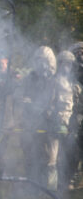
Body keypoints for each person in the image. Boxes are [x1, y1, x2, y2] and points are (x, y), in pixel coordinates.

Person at [20, 46, 59, 192]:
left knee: (50, 163)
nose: (42, 65)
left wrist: (39, 108)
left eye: (45, 61)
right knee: (31, 160)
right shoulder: (29, 79)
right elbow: (21, 99)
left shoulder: (55, 81)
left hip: (50, 128)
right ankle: (32, 190)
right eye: (39, 60)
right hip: (31, 126)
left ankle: (49, 193)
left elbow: (56, 105)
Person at [54, 51, 75, 192]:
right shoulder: (54, 81)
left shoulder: (74, 81)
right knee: (59, 152)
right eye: (63, 63)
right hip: (59, 123)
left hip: (72, 122)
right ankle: (58, 183)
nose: (66, 67)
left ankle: (68, 179)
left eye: (69, 64)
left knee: (70, 153)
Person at [68, 42, 83, 188]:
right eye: (77, 53)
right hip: (74, 116)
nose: (81, 56)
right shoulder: (68, 76)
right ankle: (72, 178)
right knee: (73, 146)